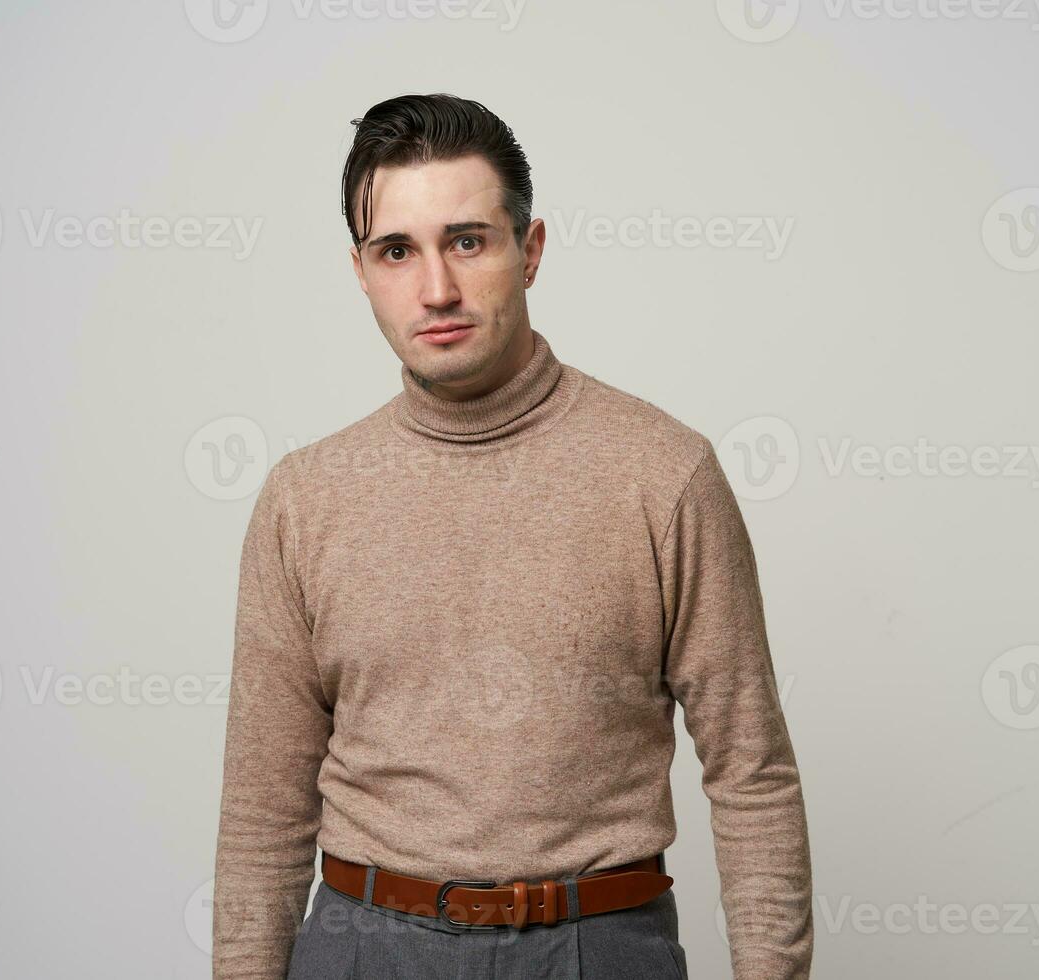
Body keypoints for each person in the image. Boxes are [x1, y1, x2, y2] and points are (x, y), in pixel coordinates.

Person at [212, 92, 813, 980]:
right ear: (361, 270)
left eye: (467, 240)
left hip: (597, 944)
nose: (437, 289)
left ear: (529, 252)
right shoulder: (306, 499)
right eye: (397, 251)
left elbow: (751, 775)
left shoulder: (665, 473)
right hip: (363, 946)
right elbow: (263, 809)